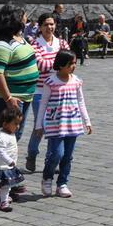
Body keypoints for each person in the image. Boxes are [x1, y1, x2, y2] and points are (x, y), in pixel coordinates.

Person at [34, 50, 92, 197]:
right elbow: (43, 103)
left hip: (73, 123)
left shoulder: (76, 81)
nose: (74, 66)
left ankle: (62, 183)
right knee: (56, 154)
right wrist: (39, 125)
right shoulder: (51, 82)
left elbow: (81, 101)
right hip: (55, 124)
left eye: (74, 63)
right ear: (60, 65)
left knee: (68, 156)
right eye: (70, 63)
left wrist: (87, 121)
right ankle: (47, 178)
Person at [25, 12, 69, 173]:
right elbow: (40, 65)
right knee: (41, 125)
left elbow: (70, 62)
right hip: (40, 91)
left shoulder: (62, 43)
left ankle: (52, 158)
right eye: (46, 25)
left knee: (56, 126)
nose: (49, 27)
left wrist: (56, 63)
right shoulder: (34, 44)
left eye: (52, 24)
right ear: (40, 27)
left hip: (59, 91)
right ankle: (32, 153)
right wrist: (59, 62)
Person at [0, 5, 39, 139]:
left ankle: (9, 159)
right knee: (8, 136)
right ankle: (5, 160)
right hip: (10, 98)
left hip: (24, 96)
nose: (26, 18)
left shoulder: (19, 37)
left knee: (16, 134)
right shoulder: (3, 44)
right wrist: (9, 99)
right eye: (24, 15)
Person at [0, 105, 26, 212]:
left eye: (19, 124)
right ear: (5, 124)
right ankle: (3, 202)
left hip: (8, 167)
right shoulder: (2, 137)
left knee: (6, 186)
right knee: (5, 186)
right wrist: (9, 160)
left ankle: (3, 196)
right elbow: (0, 151)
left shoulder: (10, 133)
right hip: (2, 167)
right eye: (15, 124)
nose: (18, 127)